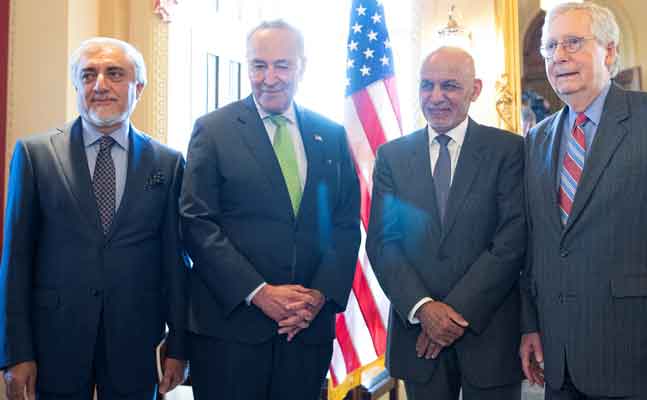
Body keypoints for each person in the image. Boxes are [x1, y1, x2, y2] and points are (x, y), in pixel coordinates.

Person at [519, 2, 647, 399]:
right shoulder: (537, 139)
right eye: (550, 47)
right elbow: (537, 245)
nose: (559, 56)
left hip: (642, 358)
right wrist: (530, 324)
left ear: (610, 51)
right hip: (560, 360)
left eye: (572, 42)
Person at [179, 20, 360, 400]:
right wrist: (259, 292)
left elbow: (343, 224)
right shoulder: (213, 131)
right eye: (258, 65)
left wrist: (317, 297)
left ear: (302, 66)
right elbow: (197, 222)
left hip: (305, 333)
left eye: (282, 65)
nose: (270, 78)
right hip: (231, 335)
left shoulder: (330, 134)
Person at [0, 37, 188, 400]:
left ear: (139, 87)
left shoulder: (168, 163)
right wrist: (15, 353)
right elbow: (16, 261)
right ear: (77, 86)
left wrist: (179, 345)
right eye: (88, 75)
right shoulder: (35, 155)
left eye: (114, 73)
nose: (100, 85)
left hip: (134, 340)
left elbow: (175, 262)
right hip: (54, 339)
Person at [365, 46, 525, 400]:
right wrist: (424, 310)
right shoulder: (392, 156)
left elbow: (511, 241)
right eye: (426, 85)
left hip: (490, 338)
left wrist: (451, 315)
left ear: (476, 89)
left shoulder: (509, 150)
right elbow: (382, 242)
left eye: (450, 86)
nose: (435, 97)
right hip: (418, 342)